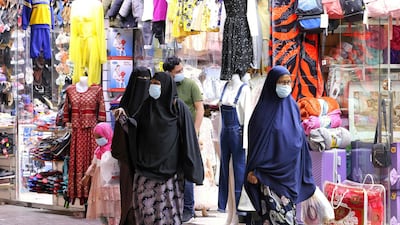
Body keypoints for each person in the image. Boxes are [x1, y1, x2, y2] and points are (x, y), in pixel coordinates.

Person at [122, 72, 204, 224]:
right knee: (145, 212)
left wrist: (192, 167)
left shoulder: (178, 108)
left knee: (168, 215)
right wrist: (124, 120)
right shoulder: (147, 105)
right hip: (145, 171)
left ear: (166, 86)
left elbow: (188, 136)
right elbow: (135, 129)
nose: (153, 86)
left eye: (157, 84)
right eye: (152, 83)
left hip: (170, 173)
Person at [244, 65, 316, 225]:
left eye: (288, 82)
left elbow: (300, 142)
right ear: (272, 84)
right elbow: (257, 145)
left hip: (290, 176)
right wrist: (253, 170)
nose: (285, 86)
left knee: (288, 217)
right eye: (281, 82)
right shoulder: (262, 113)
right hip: (268, 177)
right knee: (274, 219)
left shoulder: (293, 108)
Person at [163, 56, 204, 222]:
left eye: (181, 70)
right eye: (177, 72)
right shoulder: (166, 86)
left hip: (189, 134)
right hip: (172, 135)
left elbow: (200, 109)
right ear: (169, 73)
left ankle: (189, 208)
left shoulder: (191, 85)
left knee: (188, 170)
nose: (181, 73)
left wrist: (194, 132)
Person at [111, 66, 151, 225]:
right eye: (141, 81)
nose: (144, 85)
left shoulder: (152, 106)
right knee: (129, 197)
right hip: (128, 159)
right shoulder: (124, 108)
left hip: (147, 161)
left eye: (147, 81)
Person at [63, 75, 106, 205]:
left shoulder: (97, 91)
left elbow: (102, 114)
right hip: (77, 133)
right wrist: (67, 122)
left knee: (91, 161)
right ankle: (79, 193)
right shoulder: (70, 90)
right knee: (77, 161)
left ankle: (93, 195)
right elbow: (66, 112)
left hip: (92, 133)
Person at [81, 122, 121, 225]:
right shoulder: (98, 151)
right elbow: (94, 165)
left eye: (99, 137)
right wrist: (86, 176)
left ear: (107, 134)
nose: (97, 140)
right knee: (102, 209)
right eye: (96, 137)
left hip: (111, 185)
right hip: (99, 184)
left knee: (113, 210)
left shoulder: (114, 150)